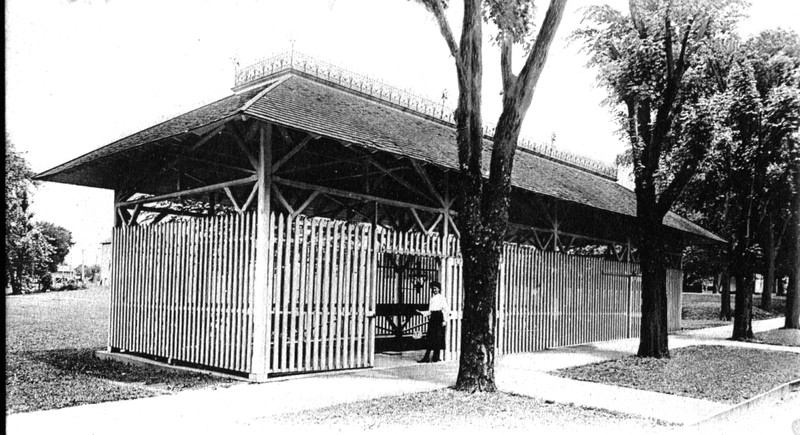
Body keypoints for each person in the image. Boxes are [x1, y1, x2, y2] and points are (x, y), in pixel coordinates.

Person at [416, 280, 449, 363]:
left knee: (437, 337)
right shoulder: (432, 299)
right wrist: (421, 312)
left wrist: (444, 320)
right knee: (430, 337)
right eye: (433, 288)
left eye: (436, 288)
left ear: (439, 289)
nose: (434, 290)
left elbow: (445, 309)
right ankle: (426, 357)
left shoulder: (442, 298)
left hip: (439, 317)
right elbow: (430, 311)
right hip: (433, 318)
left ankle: (436, 357)